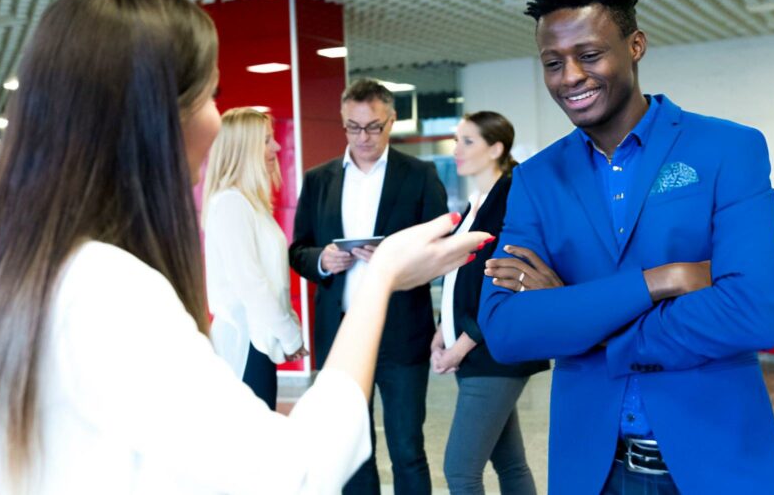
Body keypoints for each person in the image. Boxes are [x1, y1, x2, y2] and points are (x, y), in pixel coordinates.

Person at [0, 0, 490, 495]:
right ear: (155, 114)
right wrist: (383, 273)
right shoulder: (108, 290)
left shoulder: (23, 271)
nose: (218, 121)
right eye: (212, 94)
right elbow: (295, 472)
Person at [478, 0, 774, 495]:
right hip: (591, 470)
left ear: (636, 45)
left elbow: (756, 312)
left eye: (590, 55)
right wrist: (660, 280)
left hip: (718, 462)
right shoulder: (535, 180)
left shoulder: (726, 150)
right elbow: (507, 331)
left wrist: (581, 315)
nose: (570, 76)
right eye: (552, 62)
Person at [289, 78, 448, 495]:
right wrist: (322, 259)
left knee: (407, 449)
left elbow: (443, 249)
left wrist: (395, 260)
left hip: (402, 334)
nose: (363, 137)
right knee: (352, 451)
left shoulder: (419, 175)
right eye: (353, 127)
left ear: (391, 121)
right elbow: (298, 248)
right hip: (341, 335)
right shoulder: (319, 179)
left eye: (373, 127)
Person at [431, 111, 547, 495]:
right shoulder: (475, 204)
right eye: (456, 140)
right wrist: (441, 330)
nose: (456, 150)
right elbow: (461, 278)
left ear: (496, 148)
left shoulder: (511, 199)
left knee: (460, 471)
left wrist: (460, 345)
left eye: (468, 141)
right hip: (476, 353)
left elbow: (507, 282)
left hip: (491, 354)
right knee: (511, 463)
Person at [203, 107, 308, 409]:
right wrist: (290, 336)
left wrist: (287, 329)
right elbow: (252, 284)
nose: (276, 147)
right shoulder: (231, 204)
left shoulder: (250, 204)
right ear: (243, 149)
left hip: (259, 341)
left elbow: (270, 282)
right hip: (244, 345)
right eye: (266, 140)